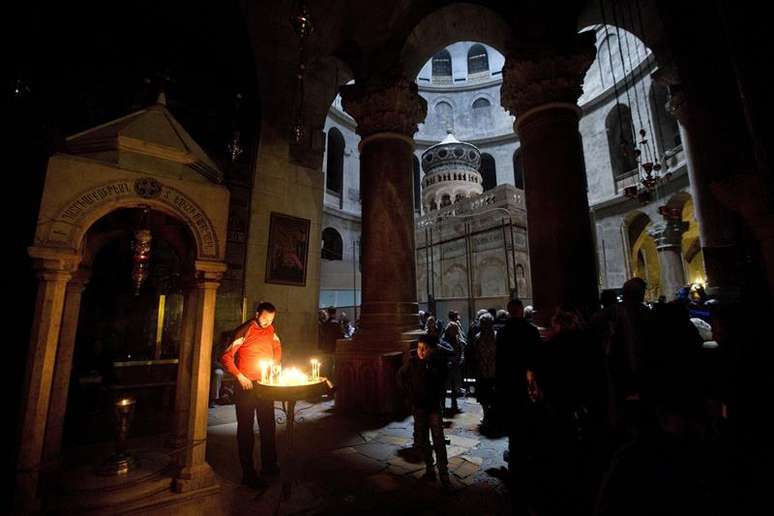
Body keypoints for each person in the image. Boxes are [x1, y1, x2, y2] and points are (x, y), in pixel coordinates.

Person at [220, 302, 282, 489]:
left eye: (271, 319)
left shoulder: (271, 329)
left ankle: (269, 466)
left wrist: (277, 364)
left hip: (264, 384)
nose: (267, 322)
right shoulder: (244, 330)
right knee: (246, 429)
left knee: (268, 426)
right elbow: (225, 356)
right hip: (246, 385)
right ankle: (248, 474)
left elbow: (277, 348)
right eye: (264, 318)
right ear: (257, 314)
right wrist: (239, 376)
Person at [397, 334, 450, 488]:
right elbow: (400, 376)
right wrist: (408, 393)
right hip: (419, 407)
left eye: (424, 349)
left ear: (432, 350)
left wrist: (431, 367)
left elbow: (442, 381)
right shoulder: (413, 363)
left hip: (433, 407)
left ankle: (443, 472)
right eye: (419, 348)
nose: (420, 351)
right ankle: (429, 469)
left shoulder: (438, 363)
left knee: (438, 439)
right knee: (423, 439)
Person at [443, 310, 466, 413]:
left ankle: (454, 403)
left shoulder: (454, 336)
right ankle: (443, 406)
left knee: (454, 386)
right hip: (448, 365)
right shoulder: (446, 339)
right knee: (445, 386)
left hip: (454, 364)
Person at [319, 306, 344, 379]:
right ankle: (333, 381)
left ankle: (326, 380)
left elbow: (322, 334)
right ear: (335, 313)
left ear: (328, 312)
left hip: (325, 348)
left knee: (326, 365)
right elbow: (340, 336)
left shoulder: (324, 324)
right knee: (333, 366)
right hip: (334, 347)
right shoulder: (336, 324)